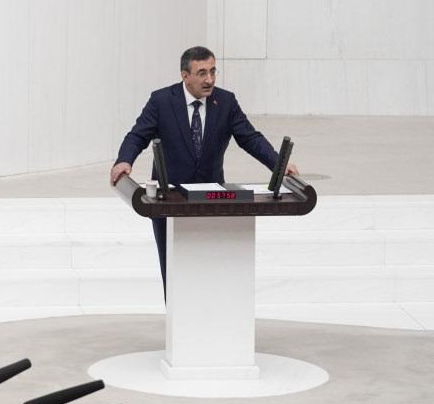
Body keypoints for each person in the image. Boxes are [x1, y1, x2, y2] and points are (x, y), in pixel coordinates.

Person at [110, 46, 298, 286]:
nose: (209, 79)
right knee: (174, 275)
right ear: (185, 75)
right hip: (170, 202)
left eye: (212, 71)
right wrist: (124, 160)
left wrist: (278, 164)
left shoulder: (226, 101)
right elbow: (137, 135)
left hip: (211, 202)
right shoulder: (162, 101)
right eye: (201, 73)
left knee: (210, 275)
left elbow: (250, 138)